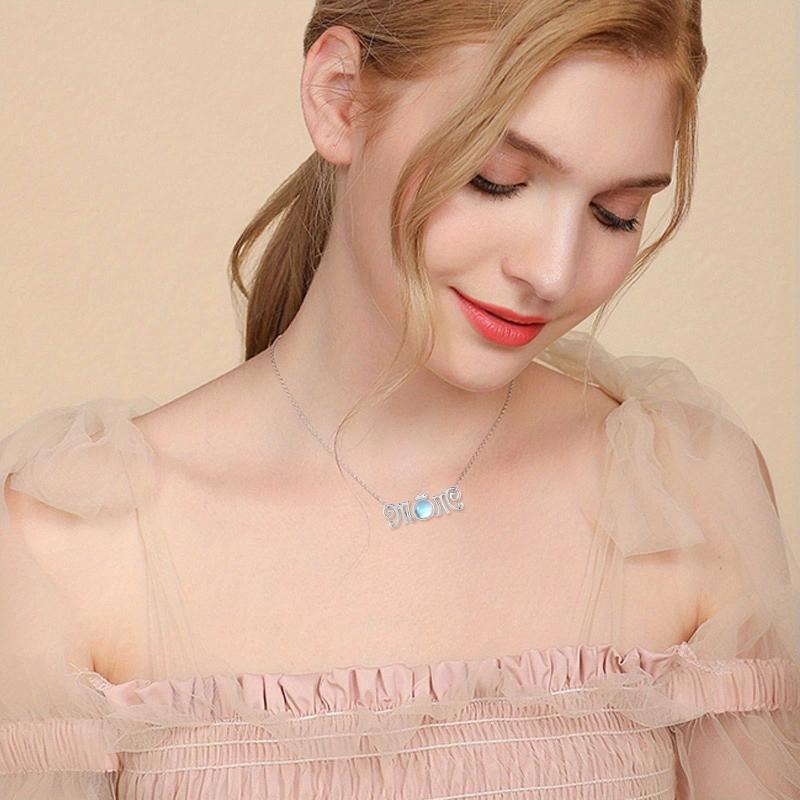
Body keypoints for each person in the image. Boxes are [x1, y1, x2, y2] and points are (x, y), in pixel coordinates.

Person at [1, 1, 798, 798]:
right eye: (496, 179)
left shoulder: (685, 500)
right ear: (339, 97)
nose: (554, 272)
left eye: (614, 214)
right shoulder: (72, 547)